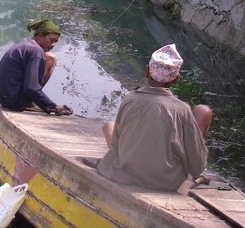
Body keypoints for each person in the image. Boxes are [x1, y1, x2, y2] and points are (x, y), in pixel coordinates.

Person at [89, 44, 213, 191]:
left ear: (147, 71)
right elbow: (197, 165)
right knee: (203, 111)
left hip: (122, 174)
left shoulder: (129, 99)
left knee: (110, 125)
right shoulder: (182, 109)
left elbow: (116, 144)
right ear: (176, 79)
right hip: (164, 182)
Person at [0, 19, 73, 116]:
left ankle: (31, 100)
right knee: (51, 58)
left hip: (4, 98)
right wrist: (54, 107)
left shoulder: (25, 45)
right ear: (40, 35)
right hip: (15, 101)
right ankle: (30, 102)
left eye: (55, 42)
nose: (53, 45)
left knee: (47, 56)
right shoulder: (36, 51)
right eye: (51, 40)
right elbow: (31, 88)